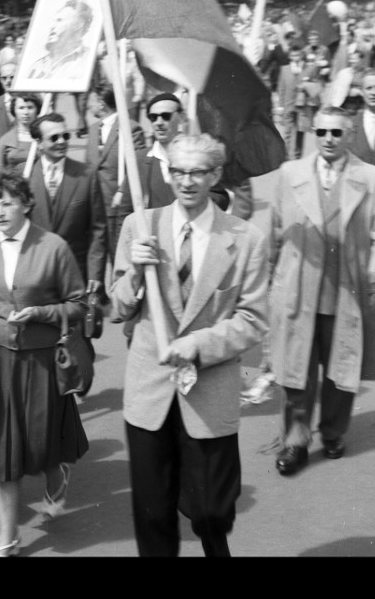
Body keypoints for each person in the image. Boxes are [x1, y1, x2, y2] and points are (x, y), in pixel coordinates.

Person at [110, 134, 268, 556]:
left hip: (208, 392)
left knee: (212, 510)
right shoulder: (139, 227)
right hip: (150, 392)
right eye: (178, 170)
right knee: (152, 514)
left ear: (215, 174)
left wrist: (198, 344)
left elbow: (253, 321)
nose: (187, 180)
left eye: (198, 171)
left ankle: (211, 535)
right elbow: (119, 307)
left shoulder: (245, 238)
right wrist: (135, 276)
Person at [0, 170, 89, 556]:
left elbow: (79, 305)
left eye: (7, 203)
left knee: (40, 443)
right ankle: (8, 539)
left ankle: (56, 474)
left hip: (40, 362)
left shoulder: (54, 247)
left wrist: (41, 313)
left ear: (26, 204)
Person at [269, 105, 375, 475]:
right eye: (321, 132)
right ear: (313, 133)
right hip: (299, 288)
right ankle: (295, 440)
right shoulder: (291, 173)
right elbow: (275, 229)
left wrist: (373, 280)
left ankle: (334, 431)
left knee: (342, 366)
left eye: (337, 133)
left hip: (346, 290)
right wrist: (273, 283)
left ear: (349, 134)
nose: (329, 139)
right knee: (297, 369)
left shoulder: (371, 177)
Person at [26, 112, 107, 290]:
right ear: (39, 142)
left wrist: (95, 273)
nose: (62, 141)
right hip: (34, 271)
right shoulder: (25, 177)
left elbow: (98, 229)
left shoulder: (87, 175)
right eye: (54, 138)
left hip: (74, 272)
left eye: (65, 135)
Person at [85, 85, 146, 261]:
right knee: (95, 252)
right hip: (94, 202)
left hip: (115, 201)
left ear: (101, 103)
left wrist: (122, 191)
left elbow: (137, 163)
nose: (88, 106)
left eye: (90, 100)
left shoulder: (130, 128)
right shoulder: (93, 129)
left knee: (117, 252)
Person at [28, 0, 94, 82]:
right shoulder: (38, 65)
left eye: (59, 20)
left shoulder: (88, 60)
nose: (52, 26)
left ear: (78, 24)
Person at [0, 93, 41, 171]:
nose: (26, 112)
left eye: (30, 107)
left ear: (37, 110)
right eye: (21, 108)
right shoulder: (5, 140)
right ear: (14, 110)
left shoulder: (43, 137)